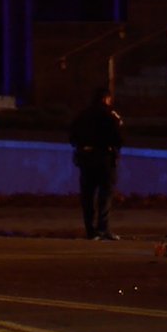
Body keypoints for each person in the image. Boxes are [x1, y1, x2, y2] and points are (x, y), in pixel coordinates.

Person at [69, 87, 124, 240]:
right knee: (105, 195)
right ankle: (103, 228)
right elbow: (118, 138)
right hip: (104, 158)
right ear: (106, 99)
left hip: (86, 158)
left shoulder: (83, 115)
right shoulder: (110, 115)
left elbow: (72, 135)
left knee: (87, 195)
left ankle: (90, 230)